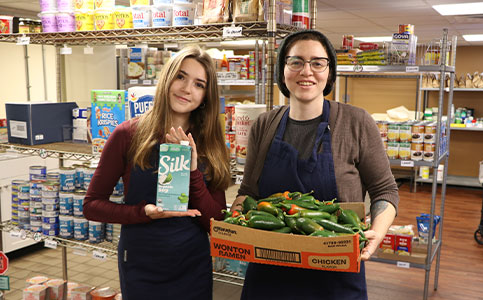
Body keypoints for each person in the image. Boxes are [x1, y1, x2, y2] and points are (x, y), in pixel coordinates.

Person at [231, 30, 399, 299]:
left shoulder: (356, 122)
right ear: (283, 70)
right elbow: (249, 192)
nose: (306, 71)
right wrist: (235, 223)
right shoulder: (264, 125)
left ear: (329, 72)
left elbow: (385, 191)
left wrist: (376, 234)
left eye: (317, 63)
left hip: (335, 274)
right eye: (295, 61)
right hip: (270, 274)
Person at [83, 45, 231, 300]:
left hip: (191, 265)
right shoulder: (127, 134)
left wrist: (193, 170)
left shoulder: (211, 144)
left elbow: (215, 222)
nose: (186, 89)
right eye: (181, 77)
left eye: (199, 84)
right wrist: (143, 213)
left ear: (206, 95)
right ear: (167, 78)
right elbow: (92, 206)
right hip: (141, 264)